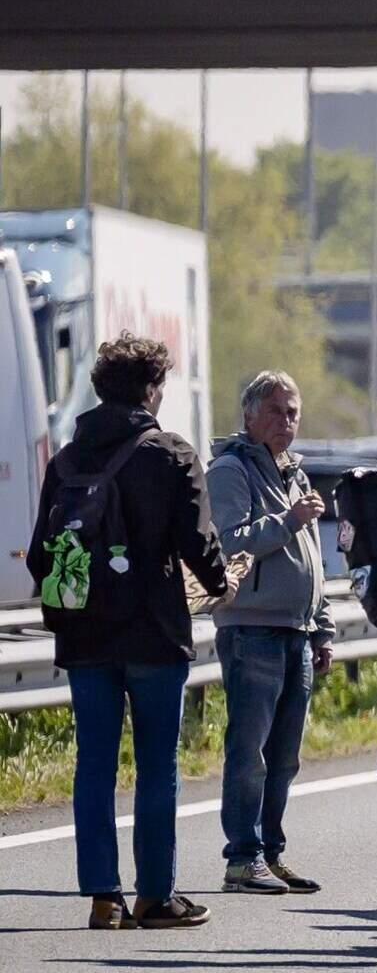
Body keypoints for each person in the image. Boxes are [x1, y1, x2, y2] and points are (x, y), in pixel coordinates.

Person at [27, 332, 228, 929]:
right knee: (156, 766)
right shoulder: (169, 452)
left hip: (85, 637)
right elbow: (199, 544)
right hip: (154, 634)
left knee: (94, 764)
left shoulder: (67, 461)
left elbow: (41, 554)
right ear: (150, 388)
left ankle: (103, 897)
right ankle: (155, 896)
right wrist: (221, 583)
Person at [206, 369, 332, 897]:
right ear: (250, 415)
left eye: (293, 412)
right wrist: (289, 519)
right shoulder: (230, 469)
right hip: (252, 629)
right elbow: (232, 542)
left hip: (296, 631)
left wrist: (323, 625)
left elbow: (314, 560)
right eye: (277, 411)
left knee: (284, 756)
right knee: (250, 753)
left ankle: (270, 852)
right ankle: (242, 857)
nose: (287, 422)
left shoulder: (294, 473)